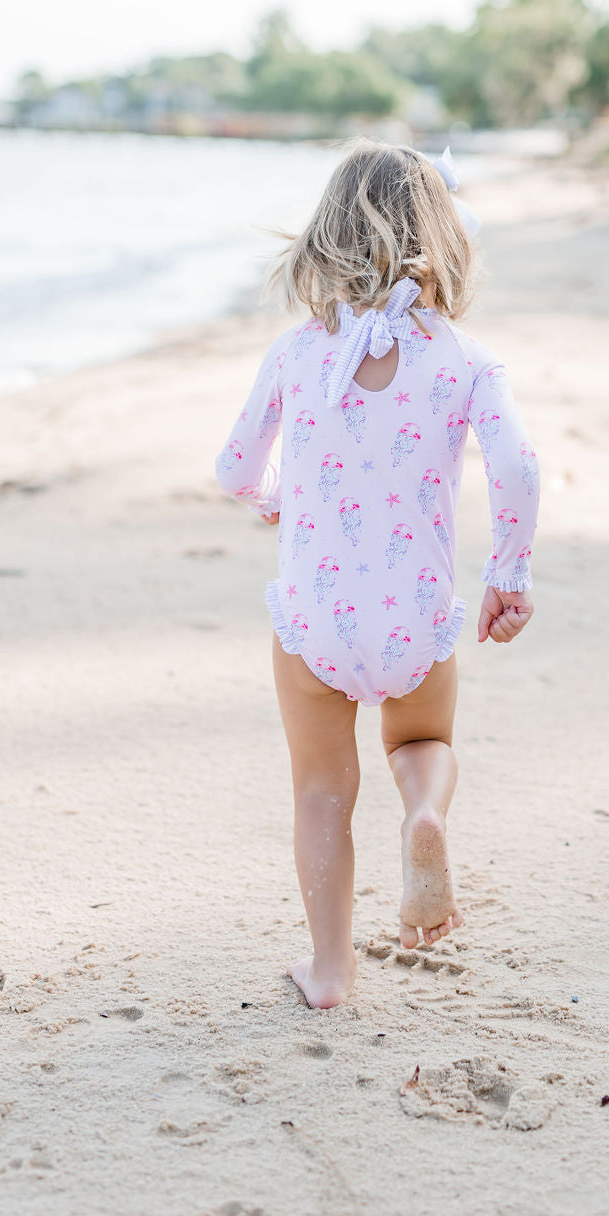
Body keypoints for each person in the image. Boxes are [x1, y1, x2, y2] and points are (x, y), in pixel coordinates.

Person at [215, 139, 539, 1008]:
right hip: (414, 619)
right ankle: (424, 815)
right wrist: (511, 573)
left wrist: (274, 498)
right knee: (421, 743)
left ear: (327, 236)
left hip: (314, 622)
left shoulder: (296, 353)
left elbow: (235, 466)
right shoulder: (467, 362)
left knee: (322, 789)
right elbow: (520, 469)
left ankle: (330, 971)